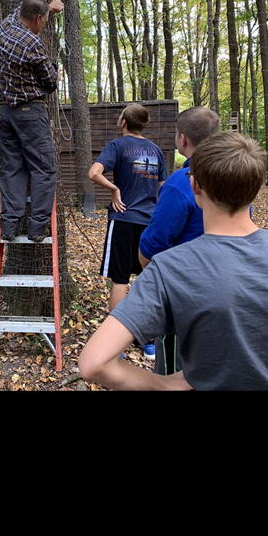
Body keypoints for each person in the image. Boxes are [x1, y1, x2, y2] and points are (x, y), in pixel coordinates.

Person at [78, 131, 268, 391]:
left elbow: (93, 363)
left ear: (194, 186)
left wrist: (164, 384)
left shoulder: (169, 269)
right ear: (256, 188)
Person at [138, 106, 221, 374]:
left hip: (184, 299)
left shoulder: (180, 183)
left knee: (172, 373)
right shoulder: (234, 175)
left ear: (182, 139)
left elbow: (151, 246)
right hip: (228, 291)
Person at [88, 103, 168, 360]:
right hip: (151, 224)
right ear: (142, 124)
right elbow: (163, 187)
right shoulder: (156, 150)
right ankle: (150, 343)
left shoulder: (116, 146)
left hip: (122, 220)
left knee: (120, 281)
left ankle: (116, 347)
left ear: (123, 121)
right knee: (149, 283)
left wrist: (114, 190)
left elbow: (94, 173)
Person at [0, 0, 64, 242]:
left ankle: (10, 227)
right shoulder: (33, 44)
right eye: (44, 20)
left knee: (11, 169)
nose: (44, 25)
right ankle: (36, 229)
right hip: (30, 113)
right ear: (37, 18)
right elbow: (49, 83)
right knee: (44, 168)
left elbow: (19, 11)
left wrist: (49, 8)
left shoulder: (5, 28)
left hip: (5, 113)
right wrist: (58, 74)